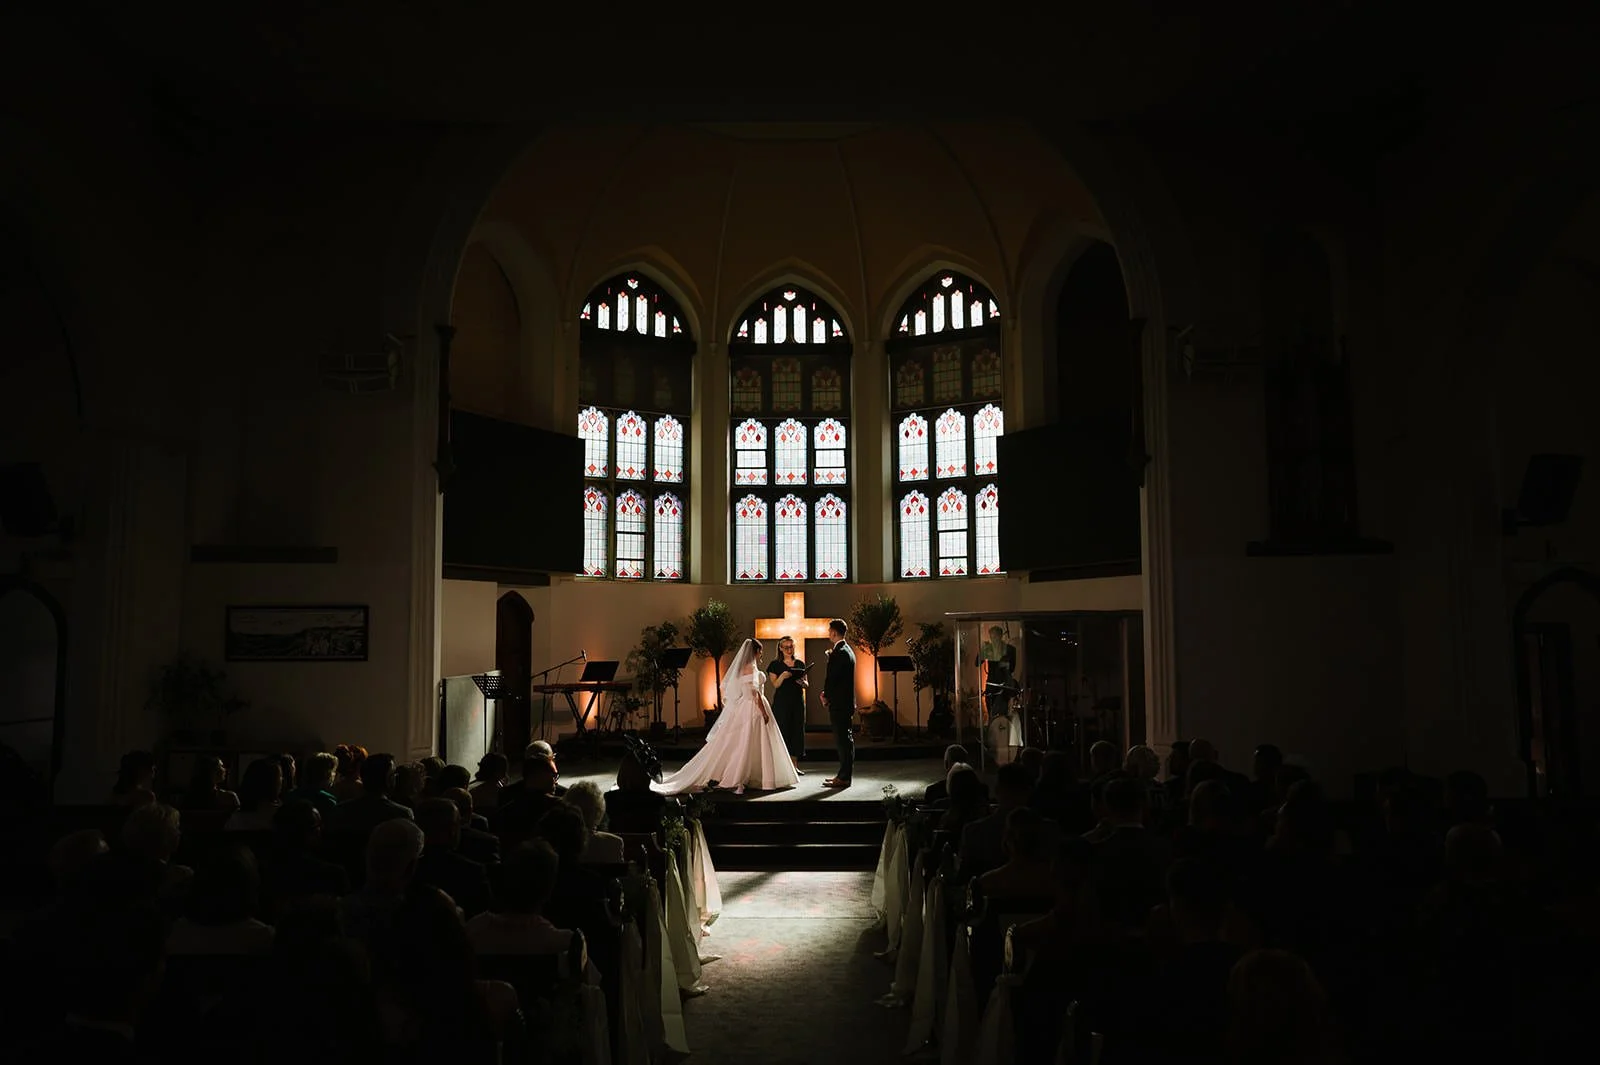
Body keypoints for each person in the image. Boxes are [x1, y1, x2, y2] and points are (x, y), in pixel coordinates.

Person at [656, 637, 799, 795]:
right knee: (750, 742)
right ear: (756, 652)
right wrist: (764, 712)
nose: (761, 654)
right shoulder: (751, 669)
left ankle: (748, 774)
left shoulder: (742, 669)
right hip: (753, 707)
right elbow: (755, 693)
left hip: (744, 706)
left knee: (744, 742)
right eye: (760, 651)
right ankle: (747, 775)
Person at [766, 634, 809, 774]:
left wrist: (802, 682)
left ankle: (795, 766)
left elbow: (807, 684)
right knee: (783, 731)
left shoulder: (800, 664)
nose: (789, 650)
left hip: (797, 702)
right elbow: (775, 685)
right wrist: (783, 676)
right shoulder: (774, 665)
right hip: (782, 703)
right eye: (786, 647)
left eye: (791, 647)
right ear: (780, 648)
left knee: (797, 731)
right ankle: (782, 768)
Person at [821, 619, 856, 789]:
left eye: (829, 631)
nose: (828, 634)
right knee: (845, 740)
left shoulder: (839, 653)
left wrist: (826, 695)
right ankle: (843, 775)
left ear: (834, 633)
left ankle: (843, 777)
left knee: (843, 741)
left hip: (839, 704)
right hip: (845, 703)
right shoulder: (847, 650)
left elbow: (832, 678)